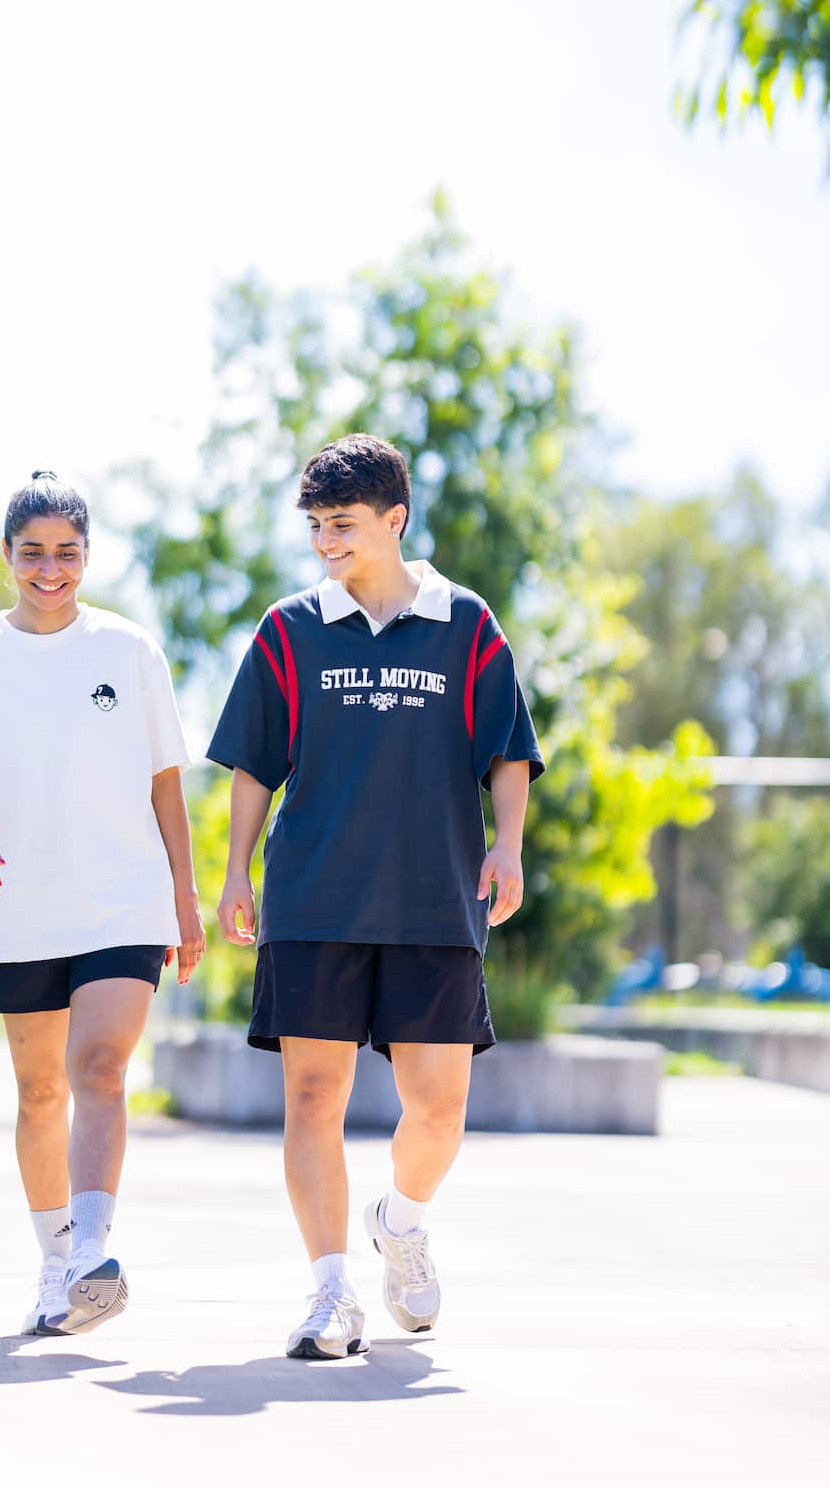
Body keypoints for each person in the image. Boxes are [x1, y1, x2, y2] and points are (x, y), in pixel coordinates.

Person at [207, 434, 544, 1359]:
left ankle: (401, 1221)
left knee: (438, 1110)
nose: (326, 543)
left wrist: (507, 847)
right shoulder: (289, 630)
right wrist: (236, 870)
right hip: (314, 898)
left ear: (395, 520)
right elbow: (251, 766)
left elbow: (509, 752)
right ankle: (327, 1294)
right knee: (313, 1097)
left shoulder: (467, 624)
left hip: (436, 899)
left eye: (343, 525)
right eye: (316, 526)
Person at [0, 470, 204, 1337]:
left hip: (125, 899)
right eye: (33, 553)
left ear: (88, 556)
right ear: (7, 556)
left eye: (67, 554)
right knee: (40, 1091)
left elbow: (165, 784)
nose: (51, 570)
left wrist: (185, 901)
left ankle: (92, 1258)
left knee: (102, 1070)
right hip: (17, 899)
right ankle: (54, 1261)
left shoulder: (129, 650)